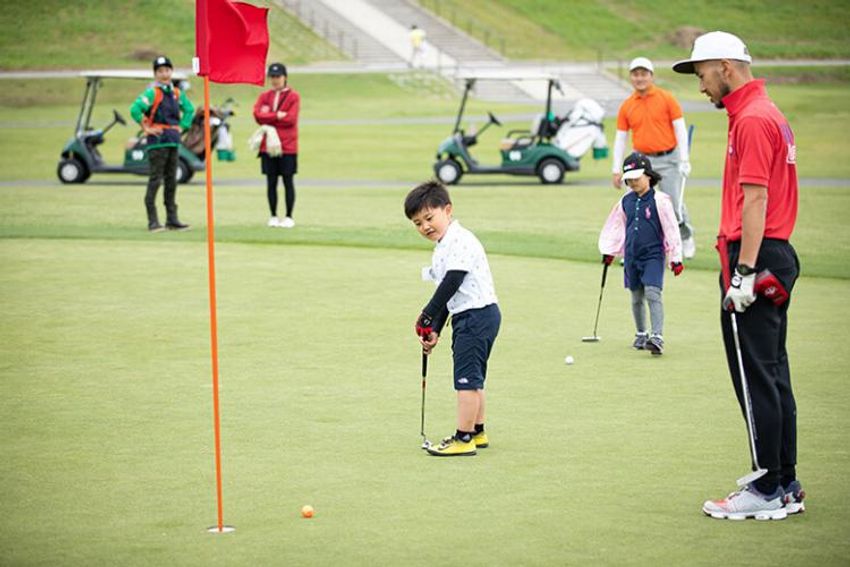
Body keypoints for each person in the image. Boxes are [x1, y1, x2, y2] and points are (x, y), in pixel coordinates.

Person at [673, 31, 803, 521]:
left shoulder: (750, 119)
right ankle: (784, 481)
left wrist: (744, 272)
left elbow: (756, 200)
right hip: (776, 253)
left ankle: (767, 485)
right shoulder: (764, 112)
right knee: (773, 375)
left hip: (756, 257)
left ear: (725, 66)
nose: (701, 86)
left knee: (754, 378)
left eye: (702, 74)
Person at [405, 181, 500, 457]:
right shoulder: (444, 245)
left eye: (429, 218)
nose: (425, 226)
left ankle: (463, 438)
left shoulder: (460, 240)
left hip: (476, 316)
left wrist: (426, 313)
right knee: (474, 378)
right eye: (417, 223)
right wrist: (434, 327)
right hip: (475, 315)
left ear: (447, 210)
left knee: (466, 381)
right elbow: (448, 292)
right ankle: (477, 431)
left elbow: (452, 282)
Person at [599, 152, 684, 355]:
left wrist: (676, 257)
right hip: (631, 256)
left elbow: (672, 229)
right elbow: (616, 228)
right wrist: (610, 251)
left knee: (653, 293)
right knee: (636, 296)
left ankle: (657, 336)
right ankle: (641, 333)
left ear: (648, 175)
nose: (633, 182)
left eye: (637, 177)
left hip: (653, 256)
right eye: (630, 179)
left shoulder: (661, 201)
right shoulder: (624, 202)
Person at [612, 57, 696, 258]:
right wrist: (616, 169)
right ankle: (637, 248)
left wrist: (684, 159)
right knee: (638, 205)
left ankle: (685, 238)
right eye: (635, 74)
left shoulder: (666, 98)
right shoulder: (627, 105)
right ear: (631, 77)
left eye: (643, 74)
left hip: (669, 159)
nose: (639, 78)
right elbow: (620, 139)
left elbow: (680, 129)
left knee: (674, 205)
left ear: (651, 76)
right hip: (641, 162)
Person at [130, 55, 194, 232]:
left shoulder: (176, 93)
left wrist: (183, 127)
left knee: (171, 181)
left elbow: (189, 109)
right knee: (155, 180)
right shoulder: (152, 93)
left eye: (167, 70)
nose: (164, 74)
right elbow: (134, 109)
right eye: (160, 71)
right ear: (155, 74)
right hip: (157, 142)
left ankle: (172, 220)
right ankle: (153, 221)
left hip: (173, 141)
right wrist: (146, 127)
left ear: (171, 72)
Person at [252, 62, 300, 228]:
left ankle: (288, 216)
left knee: (288, 180)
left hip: (287, 146)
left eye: (278, 76)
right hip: (268, 146)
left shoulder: (293, 97)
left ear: (285, 77)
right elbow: (258, 115)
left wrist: (269, 117)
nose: (275, 80)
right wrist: (277, 115)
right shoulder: (265, 96)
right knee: (271, 181)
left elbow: (291, 119)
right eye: (272, 77)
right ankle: (273, 215)